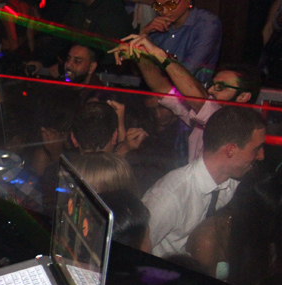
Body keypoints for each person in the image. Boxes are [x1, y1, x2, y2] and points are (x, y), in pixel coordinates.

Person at [112, 34, 262, 164]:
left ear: (243, 97)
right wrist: (140, 55)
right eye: (212, 85)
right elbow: (162, 88)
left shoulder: (242, 126)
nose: (211, 90)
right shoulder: (202, 114)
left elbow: (201, 101)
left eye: (220, 87)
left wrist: (161, 56)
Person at [142, 106, 266, 258]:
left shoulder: (238, 184)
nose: (261, 156)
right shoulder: (169, 197)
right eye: (256, 149)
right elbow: (136, 250)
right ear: (231, 150)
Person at [139, 0, 221, 83]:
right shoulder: (158, 25)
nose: (164, 11)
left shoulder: (207, 25)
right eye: (158, 6)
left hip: (188, 89)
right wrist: (144, 33)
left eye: (170, 5)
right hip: (154, 88)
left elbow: (187, 71)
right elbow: (140, 69)